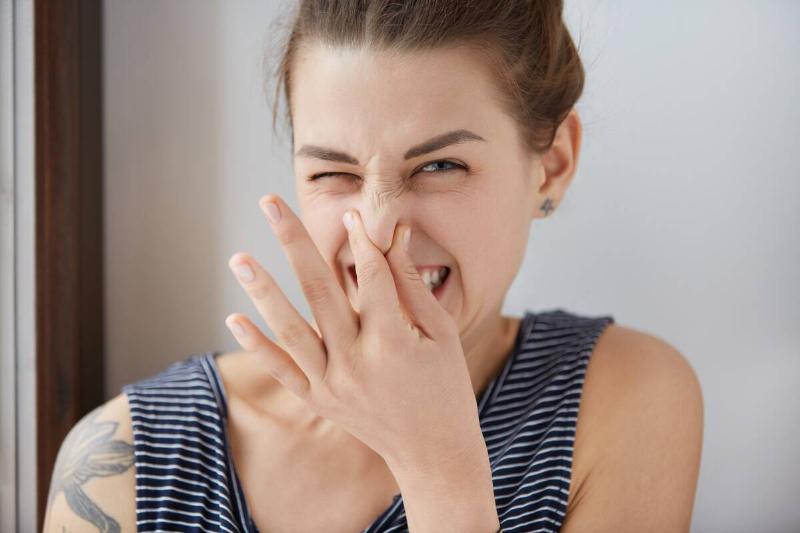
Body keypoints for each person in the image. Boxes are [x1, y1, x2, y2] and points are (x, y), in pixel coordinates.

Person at [43, 1, 704, 532]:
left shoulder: (623, 400)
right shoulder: (123, 462)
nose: (381, 227)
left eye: (441, 165)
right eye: (334, 171)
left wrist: (438, 468)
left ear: (552, 163)